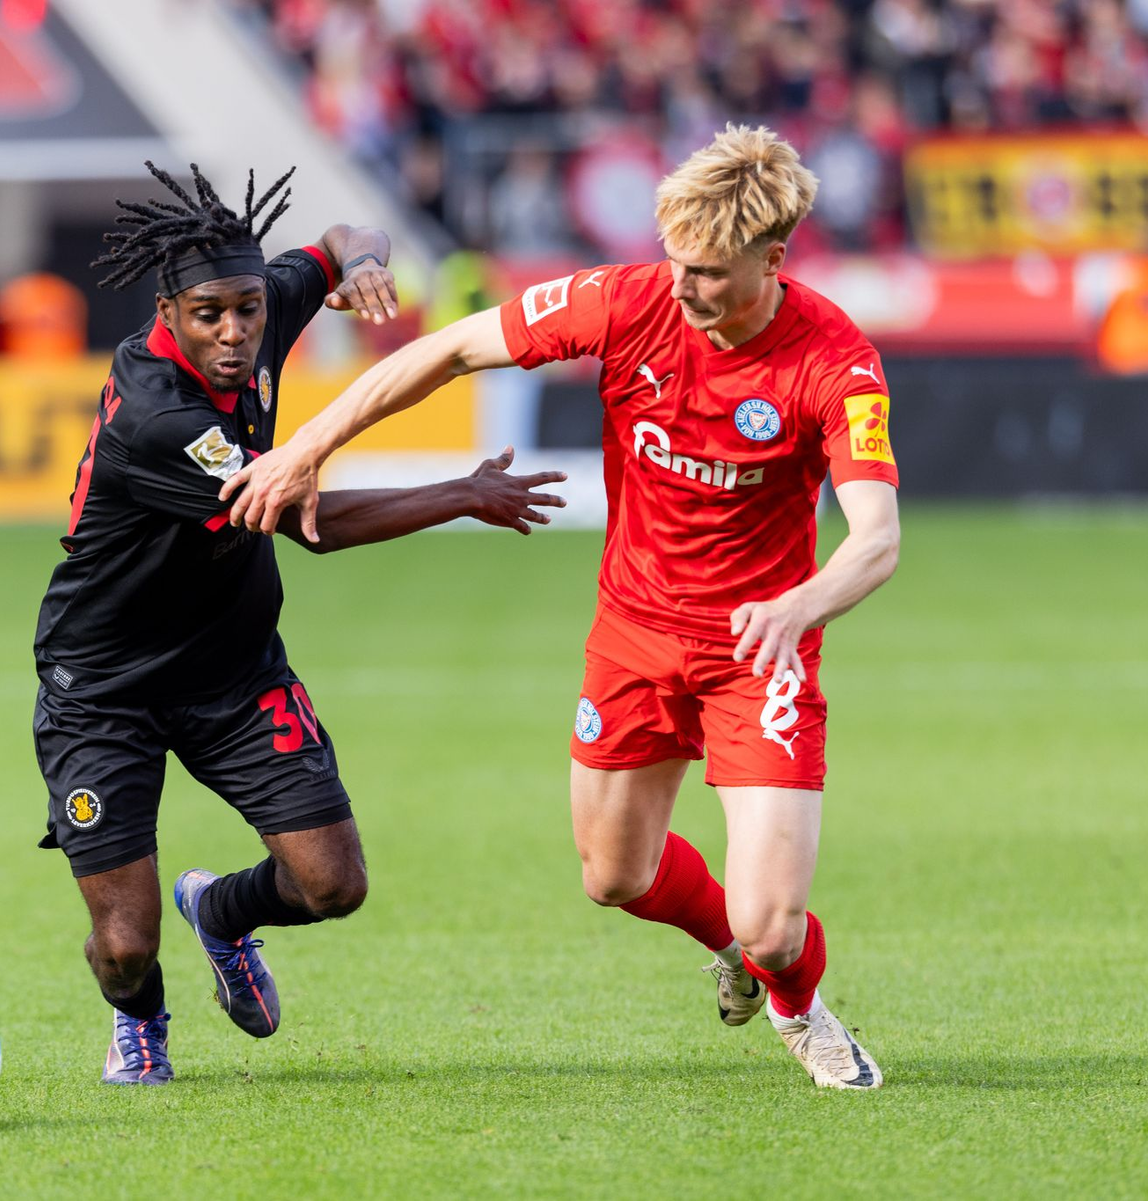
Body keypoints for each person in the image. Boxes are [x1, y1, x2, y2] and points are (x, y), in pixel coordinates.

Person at [220, 126, 900, 1090]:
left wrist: (800, 606)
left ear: (772, 260)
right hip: (634, 634)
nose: (681, 285)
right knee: (613, 875)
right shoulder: (627, 299)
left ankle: (799, 1008)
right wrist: (306, 449)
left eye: (708, 272)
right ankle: (735, 952)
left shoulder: (835, 360)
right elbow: (452, 348)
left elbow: (876, 537)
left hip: (760, 651)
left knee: (774, 927)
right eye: (674, 259)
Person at [32, 162, 566, 1086]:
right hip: (104, 690)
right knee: (123, 943)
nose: (235, 332)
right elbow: (309, 524)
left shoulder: (261, 302)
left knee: (334, 884)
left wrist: (362, 263)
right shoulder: (158, 418)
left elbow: (346, 237)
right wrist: (463, 492)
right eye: (209, 315)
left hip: (233, 671)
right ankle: (140, 1019)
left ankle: (221, 913)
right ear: (168, 311)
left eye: (247, 309)